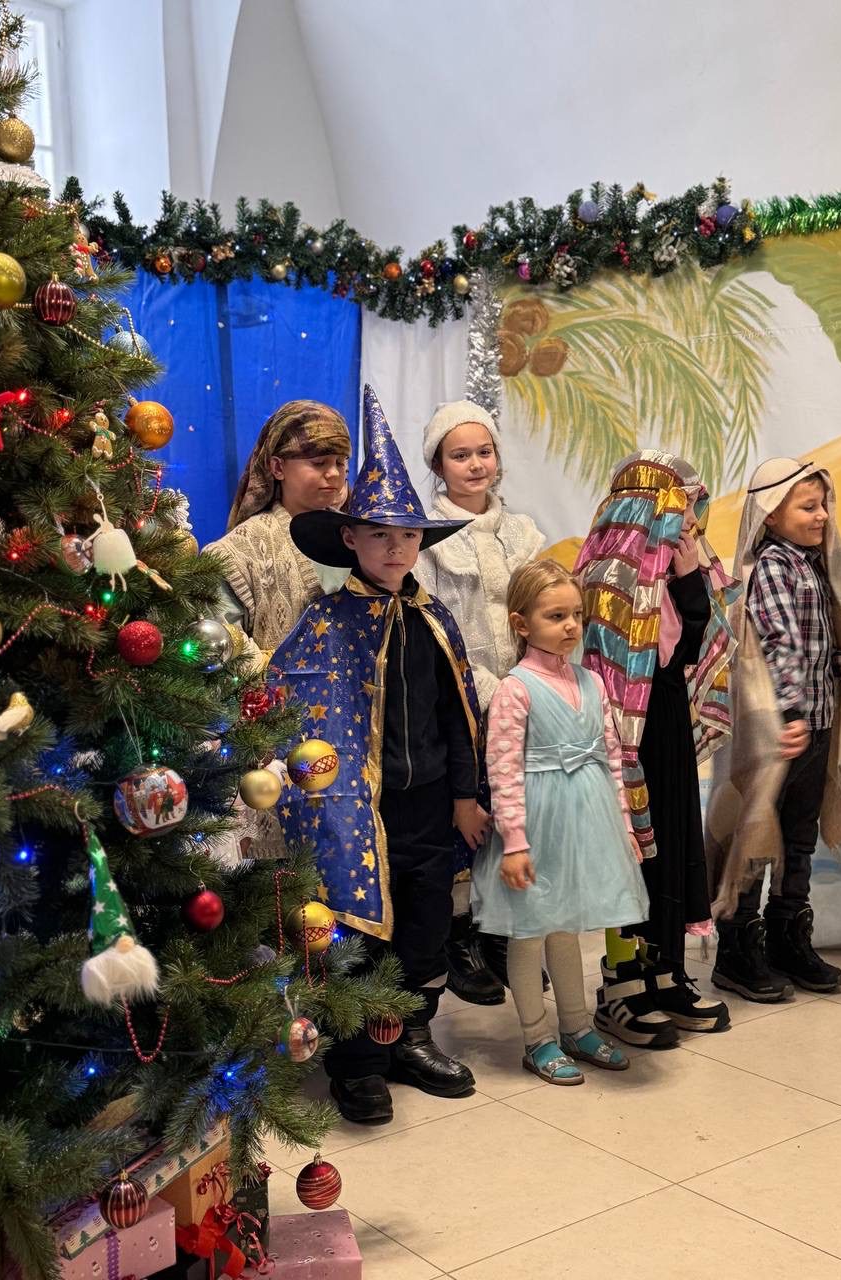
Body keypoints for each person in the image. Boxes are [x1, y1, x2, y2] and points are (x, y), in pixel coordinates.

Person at [271, 385, 491, 1125]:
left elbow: (459, 717)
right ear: (350, 541)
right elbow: (297, 711)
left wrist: (466, 794)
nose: (395, 549)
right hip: (358, 811)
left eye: (407, 536)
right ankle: (358, 1063)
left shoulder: (435, 619)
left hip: (428, 803)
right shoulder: (327, 621)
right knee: (361, 935)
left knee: (426, 926)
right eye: (378, 535)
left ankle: (412, 1039)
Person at [706, 458, 841, 1000]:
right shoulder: (772, 568)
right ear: (770, 515)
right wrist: (791, 713)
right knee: (759, 834)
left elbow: (823, 643)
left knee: (799, 836)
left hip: (816, 724)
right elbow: (779, 648)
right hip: (781, 734)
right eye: (808, 506)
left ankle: (788, 938)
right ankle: (737, 948)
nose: (822, 515)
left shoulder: (813, 566)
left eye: (823, 504)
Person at [575, 451, 739, 1047]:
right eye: (682, 507)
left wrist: (689, 573)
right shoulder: (609, 573)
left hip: (666, 724)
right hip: (622, 738)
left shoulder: (675, 567)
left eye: (694, 508)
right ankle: (621, 985)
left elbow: (689, 646)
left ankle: (665, 973)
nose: (691, 520)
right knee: (632, 859)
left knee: (671, 848)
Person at [471, 559, 649, 1084]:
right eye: (555, 616)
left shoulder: (592, 682)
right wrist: (515, 842)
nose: (571, 626)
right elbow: (503, 769)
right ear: (521, 623)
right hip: (536, 827)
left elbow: (611, 760)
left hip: (585, 823)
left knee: (566, 927)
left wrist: (623, 827)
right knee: (530, 932)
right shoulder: (516, 688)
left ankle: (576, 1026)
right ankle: (536, 1037)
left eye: (576, 615)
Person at [415, 400, 545, 1006]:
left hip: (523, 696)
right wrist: (489, 689)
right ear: (438, 466)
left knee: (512, 811)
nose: (475, 464)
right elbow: (437, 626)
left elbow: (540, 611)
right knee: (467, 816)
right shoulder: (428, 540)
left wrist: (533, 683)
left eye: (484, 452)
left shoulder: (523, 533)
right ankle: (460, 935)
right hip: (460, 701)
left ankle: (501, 934)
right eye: (459, 455)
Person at [203, 400, 351, 859]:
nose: (333, 474)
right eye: (318, 462)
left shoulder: (365, 539)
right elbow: (217, 642)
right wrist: (280, 678)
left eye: (340, 462)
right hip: (275, 742)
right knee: (286, 877)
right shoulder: (238, 552)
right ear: (277, 467)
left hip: (356, 734)